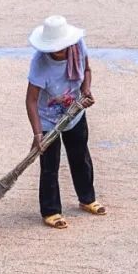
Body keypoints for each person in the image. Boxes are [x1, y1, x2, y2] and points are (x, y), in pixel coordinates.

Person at [26, 15, 106, 229]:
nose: (59, 51)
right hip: (47, 119)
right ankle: (51, 210)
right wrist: (37, 135)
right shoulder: (39, 64)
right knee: (49, 166)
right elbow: (31, 100)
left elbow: (87, 70)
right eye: (54, 48)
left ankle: (87, 198)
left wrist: (86, 89)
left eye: (62, 47)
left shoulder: (78, 47)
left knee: (80, 156)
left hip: (74, 111)